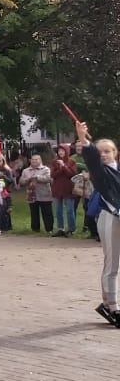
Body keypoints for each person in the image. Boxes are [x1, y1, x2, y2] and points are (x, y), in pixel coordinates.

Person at [74, 120, 120, 325]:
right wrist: (83, 138)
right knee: (112, 265)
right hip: (110, 218)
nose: (104, 154)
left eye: (108, 151)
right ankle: (112, 306)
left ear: (115, 152)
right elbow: (91, 157)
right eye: (101, 151)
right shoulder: (100, 171)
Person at [19, 153, 54, 234]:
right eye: (32, 159)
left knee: (47, 212)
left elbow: (49, 179)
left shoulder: (46, 169)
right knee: (34, 213)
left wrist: (37, 178)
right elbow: (21, 181)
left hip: (45, 194)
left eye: (36, 159)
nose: (34, 161)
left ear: (40, 160)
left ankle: (49, 229)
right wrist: (27, 179)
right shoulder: (26, 170)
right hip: (32, 195)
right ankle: (35, 229)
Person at [50, 145, 79, 238]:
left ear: (67, 151)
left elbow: (72, 174)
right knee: (58, 210)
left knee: (70, 210)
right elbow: (53, 175)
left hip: (68, 189)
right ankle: (60, 228)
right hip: (57, 188)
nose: (61, 152)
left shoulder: (72, 162)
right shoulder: (54, 162)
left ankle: (71, 229)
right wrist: (60, 168)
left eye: (62, 150)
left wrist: (64, 166)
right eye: (59, 151)